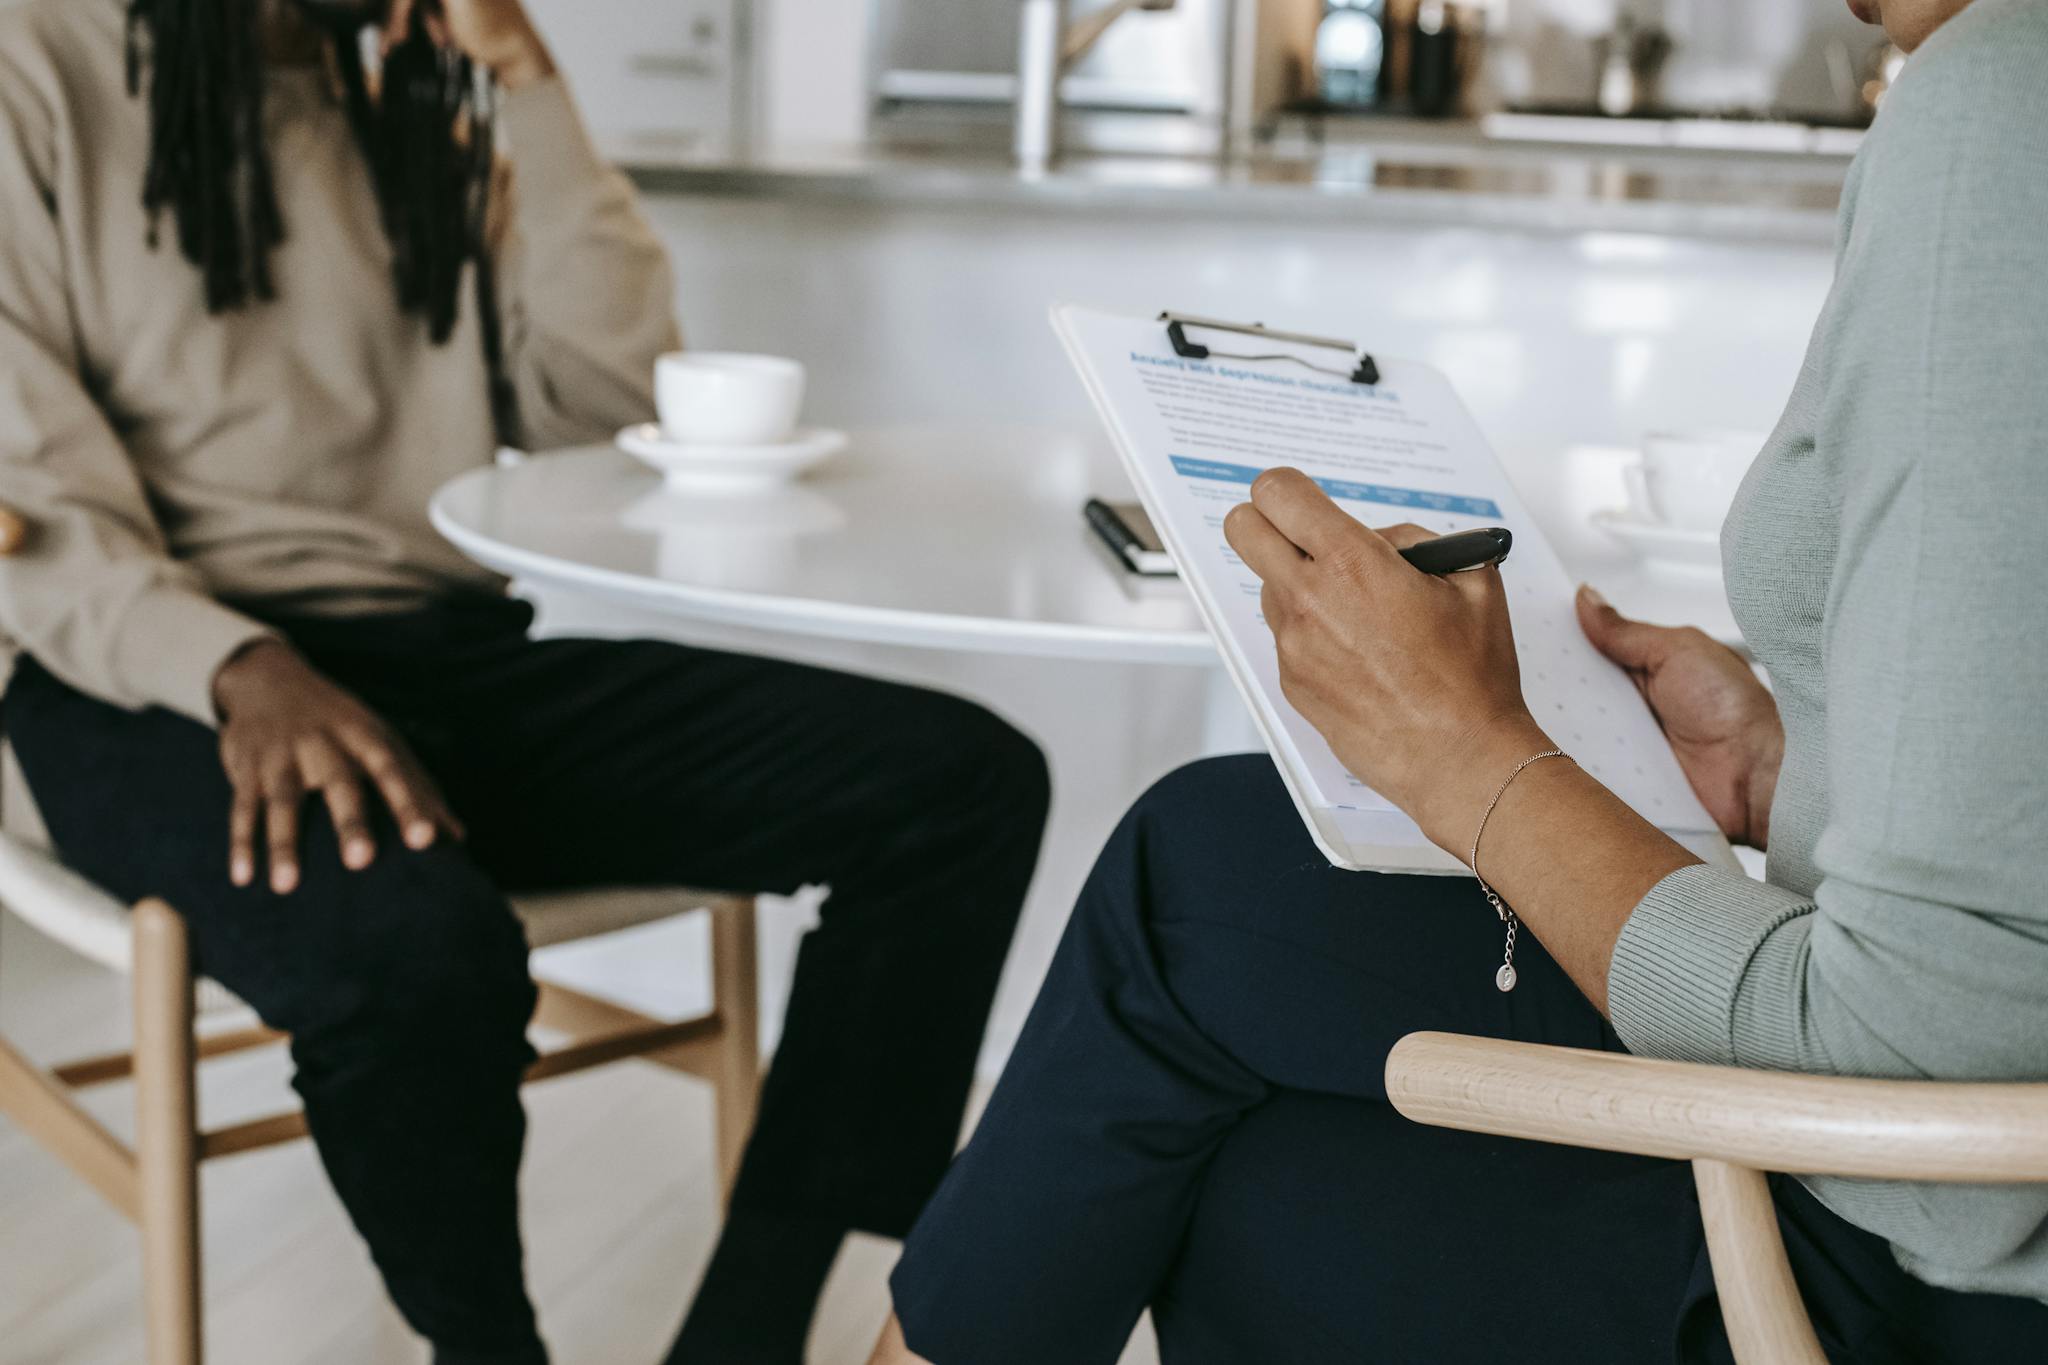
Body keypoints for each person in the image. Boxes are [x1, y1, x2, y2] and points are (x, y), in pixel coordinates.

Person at [868, 0, 2048, 1361]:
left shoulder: (2002, 94)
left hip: (1938, 1287)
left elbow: (1938, 1119)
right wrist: (1786, 772)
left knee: (1199, 890)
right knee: (1231, 1058)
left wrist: (1467, 757)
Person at [0, 1, 1049, 1362]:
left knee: (959, 785)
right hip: (146, 673)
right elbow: (23, 498)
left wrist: (532, 87)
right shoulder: (39, 59)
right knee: (416, 953)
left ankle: (747, 1331)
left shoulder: (415, 99)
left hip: (440, 654)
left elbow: (600, 404)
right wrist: (233, 662)